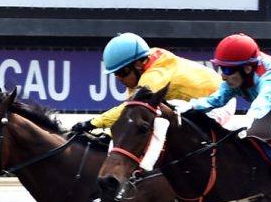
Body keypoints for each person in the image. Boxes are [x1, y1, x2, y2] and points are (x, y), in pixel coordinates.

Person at [170, 33, 271, 200]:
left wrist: (248, 119)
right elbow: (217, 100)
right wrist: (190, 105)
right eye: (221, 68)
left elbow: (265, 100)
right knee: (242, 135)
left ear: (247, 68)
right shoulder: (239, 76)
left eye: (227, 70)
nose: (223, 76)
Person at [71, 32, 234, 132]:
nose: (119, 78)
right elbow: (127, 119)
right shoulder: (143, 65)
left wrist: (92, 124)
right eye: (115, 74)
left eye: (122, 72)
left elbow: (129, 110)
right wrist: (105, 133)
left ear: (137, 65)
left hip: (217, 105)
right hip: (191, 104)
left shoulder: (154, 75)